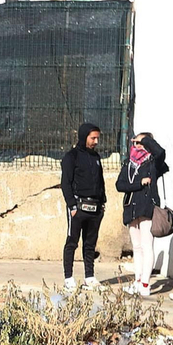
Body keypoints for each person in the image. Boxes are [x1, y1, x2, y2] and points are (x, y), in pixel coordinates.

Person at [117, 132, 169, 297]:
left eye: (141, 143)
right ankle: (138, 281)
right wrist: (138, 184)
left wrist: (145, 140)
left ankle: (146, 283)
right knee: (136, 247)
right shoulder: (129, 163)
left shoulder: (153, 163)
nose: (137, 145)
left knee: (147, 246)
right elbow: (120, 184)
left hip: (147, 208)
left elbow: (161, 152)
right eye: (136, 142)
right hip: (131, 208)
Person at [59, 122, 106, 291]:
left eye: (97, 138)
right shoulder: (71, 157)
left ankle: (90, 277)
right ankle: (69, 277)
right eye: (92, 138)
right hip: (78, 207)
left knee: (90, 243)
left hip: (95, 207)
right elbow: (66, 183)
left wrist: (103, 203)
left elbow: (100, 181)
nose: (95, 142)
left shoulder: (96, 157)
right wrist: (72, 205)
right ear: (84, 136)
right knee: (72, 241)